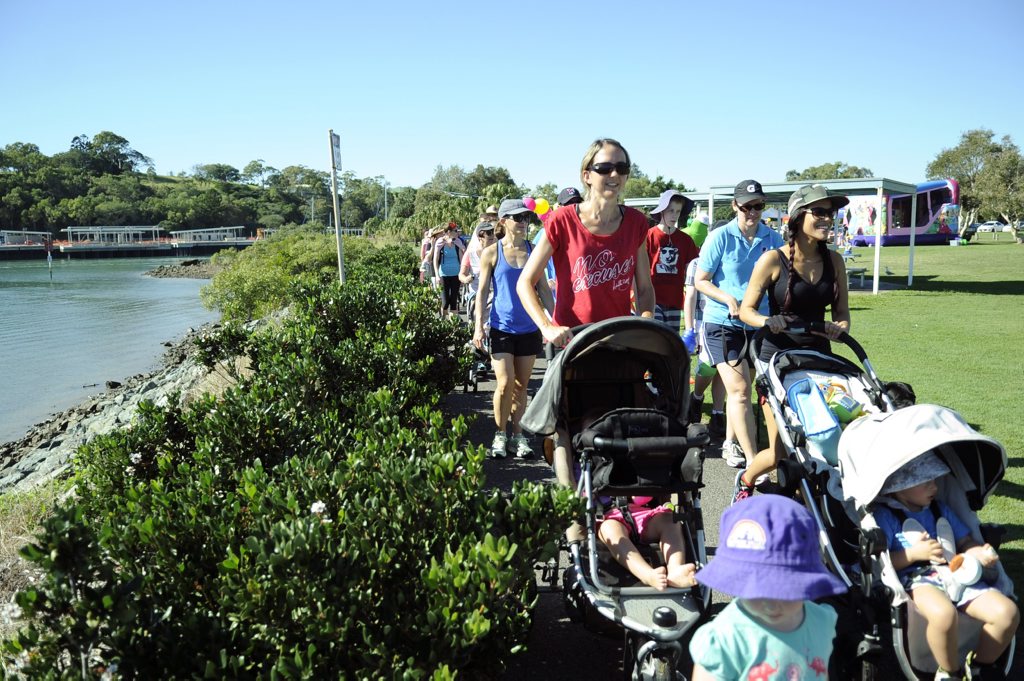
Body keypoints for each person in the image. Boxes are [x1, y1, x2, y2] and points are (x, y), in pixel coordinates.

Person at [517, 138, 656, 492]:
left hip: (618, 340)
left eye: (621, 168)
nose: (614, 175)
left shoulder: (637, 223)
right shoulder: (563, 221)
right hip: (572, 341)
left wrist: (646, 318)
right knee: (564, 424)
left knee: (622, 420)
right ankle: (570, 509)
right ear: (587, 175)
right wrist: (548, 327)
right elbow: (525, 283)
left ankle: (619, 498)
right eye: (605, 168)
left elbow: (644, 287)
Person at [734, 184, 852, 503]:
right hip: (778, 363)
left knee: (827, 438)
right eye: (821, 212)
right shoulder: (773, 260)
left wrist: (837, 328)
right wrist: (766, 321)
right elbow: (745, 310)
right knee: (779, 451)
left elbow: (843, 315)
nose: (829, 218)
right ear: (799, 217)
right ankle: (746, 480)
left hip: (819, 361)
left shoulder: (835, 262)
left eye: (832, 212)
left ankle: (810, 504)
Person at [871, 453, 1019, 680]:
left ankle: (980, 666)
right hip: (920, 579)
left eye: (934, 480)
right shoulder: (886, 516)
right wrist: (912, 554)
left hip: (957, 572)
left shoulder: (941, 509)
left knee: (1007, 614)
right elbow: (883, 562)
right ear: (900, 488)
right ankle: (949, 671)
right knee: (944, 615)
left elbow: (964, 541)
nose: (935, 487)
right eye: (926, 482)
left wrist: (975, 551)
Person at [689, 495, 846, 681]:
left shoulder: (822, 622)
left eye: (785, 591)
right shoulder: (725, 639)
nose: (771, 605)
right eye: (758, 590)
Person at [694, 180, 784, 473]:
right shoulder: (720, 237)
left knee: (745, 392)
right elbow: (701, 280)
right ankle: (754, 459)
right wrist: (728, 298)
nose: (753, 213)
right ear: (735, 206)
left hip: (759, 323)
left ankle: (730, 442)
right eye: (747, 207)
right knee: (740, 390)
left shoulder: (773, 239)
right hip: (723, 322)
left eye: (758, 206)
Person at [475, 199, 554, 459]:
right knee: (505, 383)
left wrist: (555, 321)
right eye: (517, 218)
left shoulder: (534, 251)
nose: (523, 223)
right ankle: (500, 434)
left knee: (521, 386)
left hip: (529, 328)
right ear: (503, 221)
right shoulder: (491, 252)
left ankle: (518, 435)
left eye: (526, 218)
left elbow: (543, 289)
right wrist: (478, 327)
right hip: (501, 327)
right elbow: (483, 292)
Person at [682, 227, 729, 442]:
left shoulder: (731, 262)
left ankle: (718, 413)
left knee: (724, 369)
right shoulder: (696, 264)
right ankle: (697, 397)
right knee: (707, 367)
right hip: (704, 322)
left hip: (729, 323)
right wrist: (690, 328)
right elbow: (690, 297)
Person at [645, 189, 699, 335]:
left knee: (671, 340)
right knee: (655, 338)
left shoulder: (686, 240)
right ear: (661, 210)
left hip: (675, 299)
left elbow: (691, 270)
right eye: (670, 210)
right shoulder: (648, 236)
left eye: (677, 211)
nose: (674, 215)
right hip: (652, 299)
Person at [459, 221, 495, 306]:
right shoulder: (470, 253)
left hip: (494, 294)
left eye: (492, 232)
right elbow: (461, 275)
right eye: (488, 233)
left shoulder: (497, 251)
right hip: (476, 293)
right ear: (480, 237)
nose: (491, 235)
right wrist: (466, 279)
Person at [433, 222, 465, 317]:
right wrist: (437, 275)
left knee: (454, 300)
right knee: (446, 301)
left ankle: (453, 325)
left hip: (456, 274)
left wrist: (462, 274)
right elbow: (435, 259)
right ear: (449, 232)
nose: (457, 232)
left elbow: (463, 258)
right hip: (443, 274)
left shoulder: (458, 242)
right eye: (455, 231)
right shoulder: (440, 242)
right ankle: (443, 320)